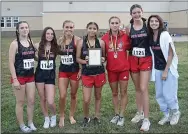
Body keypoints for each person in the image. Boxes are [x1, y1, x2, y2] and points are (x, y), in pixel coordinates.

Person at [148, 15, 181, 125]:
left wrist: (166, 70)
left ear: (160, 22)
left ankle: (175, 112)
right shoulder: (151, 36)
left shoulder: (165, 35)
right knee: (160, 94)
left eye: (156, 21)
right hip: (157, 69)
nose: (153, 23)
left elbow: (171, 54)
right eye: (151, 21)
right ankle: (166, 115)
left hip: (168, 69)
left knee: (169, 93)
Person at [126, 4, 152, 131]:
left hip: (145, 59)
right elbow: (126, 43)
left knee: (143, 88)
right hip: (132, 59)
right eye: (134, 13)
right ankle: (139, 112)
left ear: (142, 12)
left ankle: (146, 119)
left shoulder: (148, 26)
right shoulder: (128, 27)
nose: (136, 15)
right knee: (137, 88)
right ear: (131, 14)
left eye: (138, 12)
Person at [101, 16, 130, 126]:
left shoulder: (125, 36)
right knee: (114, 93)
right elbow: (103, 54)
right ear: (109, 24)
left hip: (123, 69)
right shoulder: (104, 38)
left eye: (116, 23)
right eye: (112, 23)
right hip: (111, 70)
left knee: (123, 92)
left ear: (119, 24)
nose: (114, 25)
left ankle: (122, 115)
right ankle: (116, 114)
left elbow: (131, 47)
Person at [76, 22, 106, 127]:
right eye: (90, 28)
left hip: (99, 73)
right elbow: (77, 58)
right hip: (87, 74)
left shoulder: (101, 42)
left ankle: (97, 116)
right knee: (86, 99)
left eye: (94, 28)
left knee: (98, 96)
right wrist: (85, 61)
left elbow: (104, 57)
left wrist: (103, 59)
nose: (92, 30)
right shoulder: (81, 42)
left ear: (97, 30)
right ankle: (86, 116)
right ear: (87, 29)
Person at [9, 21, 37, 133]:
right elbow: (11, 62)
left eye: (26, 27)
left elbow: (34, 57)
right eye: (22, 28)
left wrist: (44, 55)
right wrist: (15, 79)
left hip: (30, 76)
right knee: (20, 102)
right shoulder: (14, 44)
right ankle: (22, 125)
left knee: (31, 101)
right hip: (19, 77)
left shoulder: (31, 41)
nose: (25, 29)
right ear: (18, 30)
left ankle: (30, 122)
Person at [58, 20, 81, 128]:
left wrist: (81, 70)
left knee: (73, 95)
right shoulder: (59, 41)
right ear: (63, 28)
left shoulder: (77, 40)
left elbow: (82, 56)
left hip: (74, 71)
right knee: (62, 95)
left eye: (71, 27)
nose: (69, 29)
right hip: (63, 71)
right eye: (67, 27)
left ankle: (71, 115)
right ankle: (61, 116)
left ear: (74, 28)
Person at [34, 27, 58, 129]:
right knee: (43, 99)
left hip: (50, 76)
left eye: (52, 34)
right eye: (47, 34)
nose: (50, 36)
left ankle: (54, 116)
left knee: (50, 101)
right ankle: (46, 118)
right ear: (44, 35)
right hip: (39, 75)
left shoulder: (56, 47)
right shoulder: (37, 45)